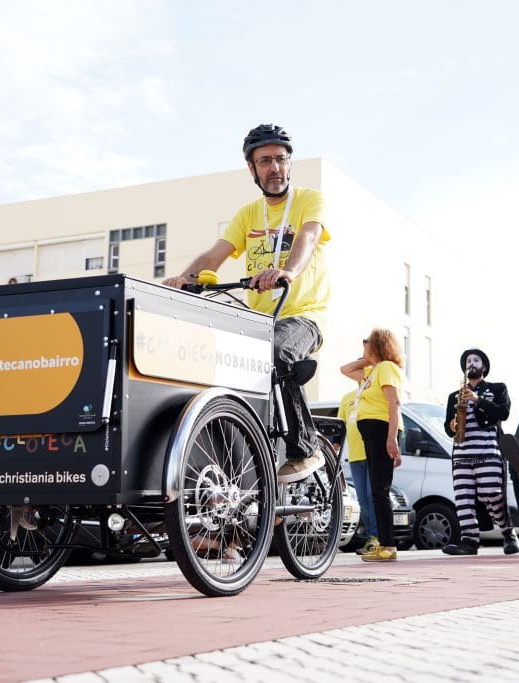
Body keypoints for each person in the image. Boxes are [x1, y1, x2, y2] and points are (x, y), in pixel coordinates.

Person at [163, 124, 330, 484]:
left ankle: (306, 446)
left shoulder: (308, 200)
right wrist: (183, 279)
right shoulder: (247, 215)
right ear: (252, 169)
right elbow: (215, 255)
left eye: (281, 160)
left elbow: (309, 236)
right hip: (261, 321)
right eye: (265, 161)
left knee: (276, 352)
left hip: (302, 316)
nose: (275, 168)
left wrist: (286, 270)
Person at [442, 348, 519, 555]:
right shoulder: (454, 396)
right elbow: (447, 428)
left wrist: (478, 400)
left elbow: (503, 413)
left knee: (492, 496)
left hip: (488, 452)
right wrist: (451, 425)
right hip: (461, 455)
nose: (471, 364)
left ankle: (508, 532)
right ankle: (469, 541)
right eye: (468, 361)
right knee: (463, 498)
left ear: (484, 366)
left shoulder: (497, 388)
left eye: (476, 360)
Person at [340, 329, 404, 562]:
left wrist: (392, 437)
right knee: (377, 491)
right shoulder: (372, 371)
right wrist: (367, 359)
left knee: (379, 491)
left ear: (378, 345)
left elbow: (394, 402)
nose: (363, 344)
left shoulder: (386, 367)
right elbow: (345, 370)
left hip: (381, 430)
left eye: (367, 342)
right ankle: (385, 544)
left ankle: (388, 545)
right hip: (372, 433)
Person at [337, 387, 379, 555]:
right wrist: (335, 447)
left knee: (372, 496)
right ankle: (372, 538)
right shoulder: (347, 397)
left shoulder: (375, 394)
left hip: (374, 455)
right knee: (363, 500)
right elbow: (340, 428)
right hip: (355, 458)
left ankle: (378, 538)